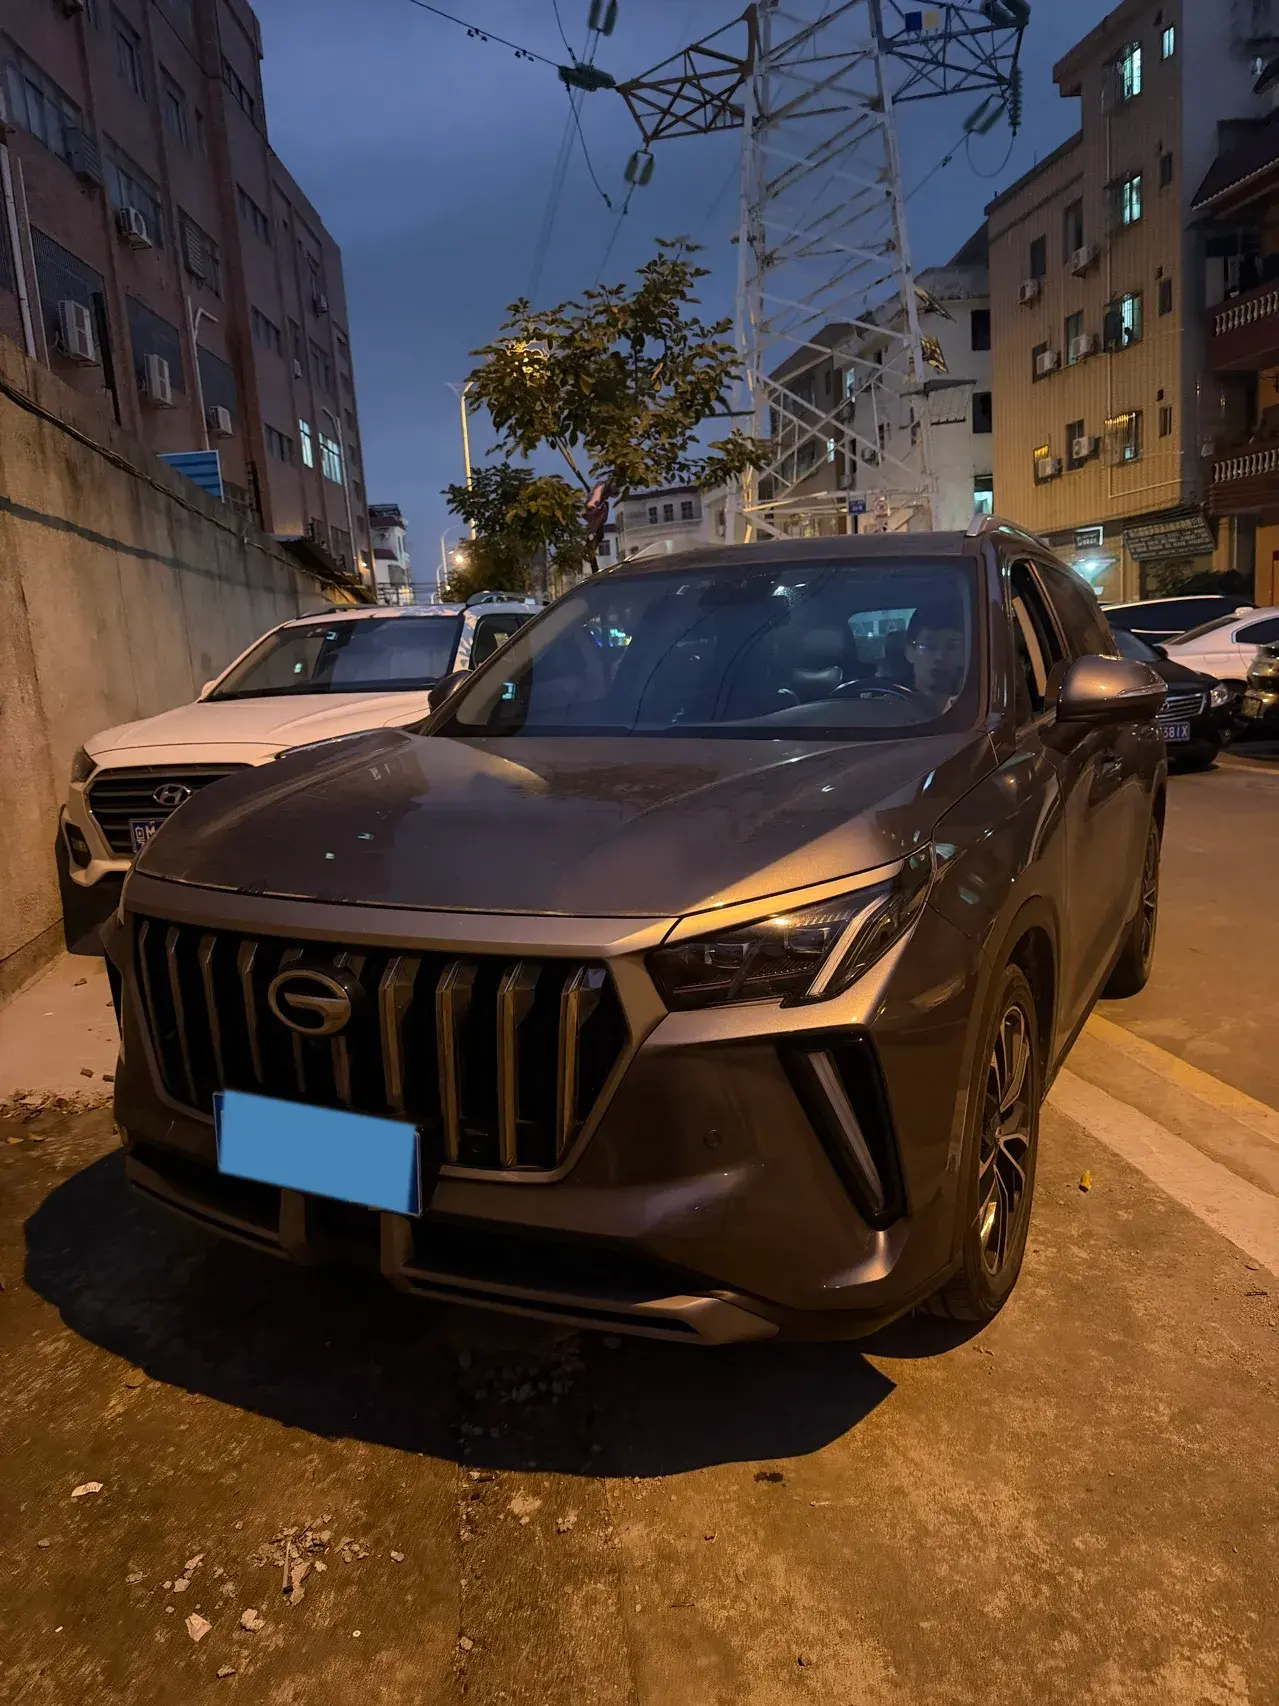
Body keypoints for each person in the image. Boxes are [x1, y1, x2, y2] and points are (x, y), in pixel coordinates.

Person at [904, 604, 966, 713]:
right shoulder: (885, 710)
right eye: (929, 646)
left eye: (952, 647)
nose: (940, 657)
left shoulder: (978, 710)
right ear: (909, 652)